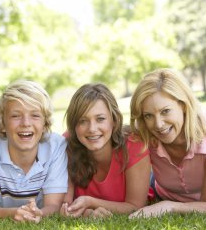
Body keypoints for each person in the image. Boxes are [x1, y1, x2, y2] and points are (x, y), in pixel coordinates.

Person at [128, 68, 206, 218]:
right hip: (164, 187)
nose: (158, 124)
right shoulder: (143, 131)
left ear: (183, 105)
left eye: (165, 111)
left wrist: (169, 206)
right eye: (148, 115)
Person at [0, 80, 68, 223]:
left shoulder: (55, 146)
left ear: (45, 123)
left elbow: (54, 205)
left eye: (35, 115)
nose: (25, 123)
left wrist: (37, 214)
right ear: (3, 124)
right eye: (16, 116)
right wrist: (15, 213)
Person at [60, 83, 151, 218]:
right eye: (82, 121)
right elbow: (66, 205)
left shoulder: (134, 145)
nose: (92, 128)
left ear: (114, 120)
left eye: (100, 119)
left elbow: (135, 207)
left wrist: (90, 202)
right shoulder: (68, 144)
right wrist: (87, 212)